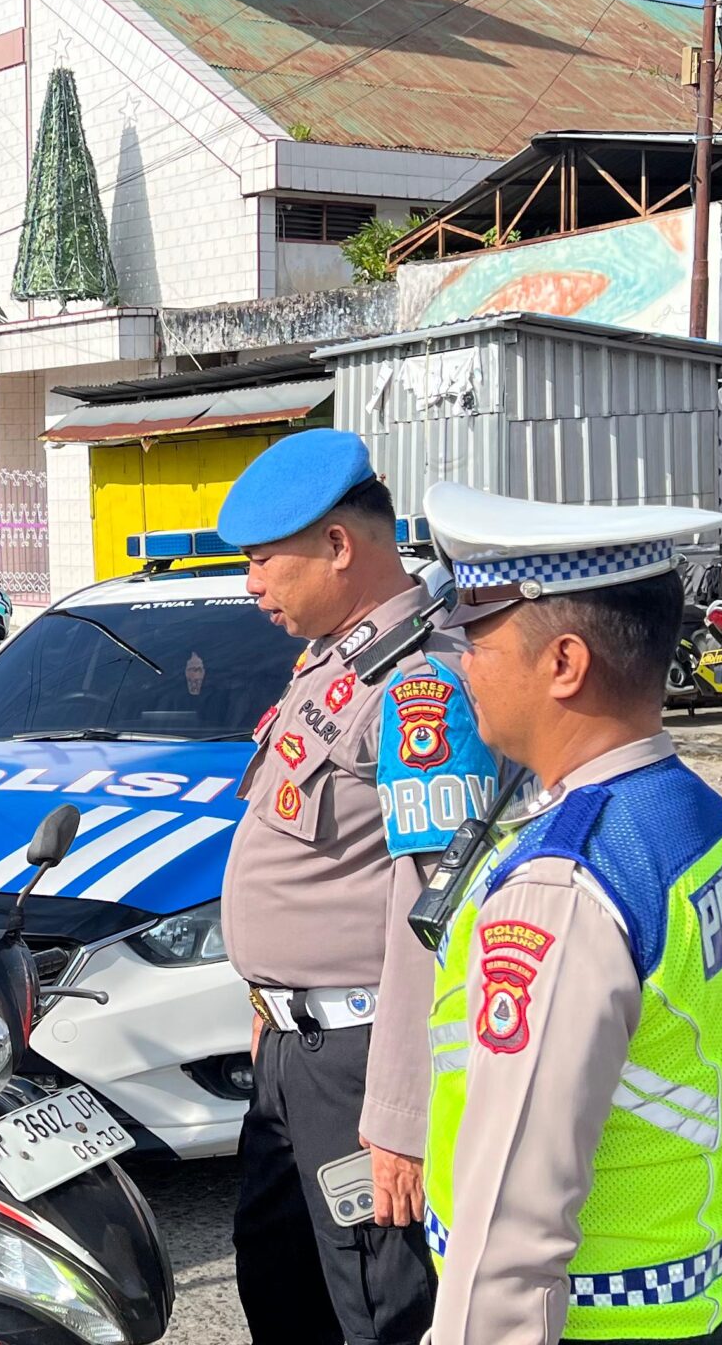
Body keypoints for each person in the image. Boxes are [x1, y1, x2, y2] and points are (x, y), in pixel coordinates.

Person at [419, 481, 722, 1344]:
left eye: (476, 638)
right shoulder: (704, 819)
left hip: (600, 1321)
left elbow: (514, 1209)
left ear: (564, 664)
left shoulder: (565, 884)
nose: (460, 666)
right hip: (713, 1288)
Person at [213, 430, 501, 1345]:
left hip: (362, 1057)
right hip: (293, 1046)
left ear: (337, 545)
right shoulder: (337, 662)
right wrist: (268, 1001)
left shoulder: (422, 685)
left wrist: (402, 1115)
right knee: (279, 1280)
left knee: (377, 1307)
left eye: (263, 560)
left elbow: (433, 914)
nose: (251, 585)